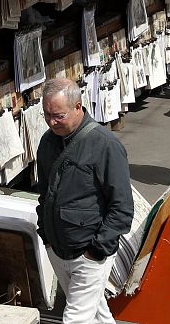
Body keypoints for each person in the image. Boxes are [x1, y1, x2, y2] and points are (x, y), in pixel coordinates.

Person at [35, 78, 134, 324]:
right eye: (46, 114)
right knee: (97, 314)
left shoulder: (105, 145)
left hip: (90, 252)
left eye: (58, 116)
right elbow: (44, 193)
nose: (51, 122)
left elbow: (122, 207)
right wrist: (46, 237)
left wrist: (97, 250)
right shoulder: (47, 142)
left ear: (78, 107)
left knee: (75, 319)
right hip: (58, 249)